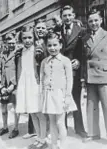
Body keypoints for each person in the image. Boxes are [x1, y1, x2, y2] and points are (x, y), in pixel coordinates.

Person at [40, 32, 77, 149]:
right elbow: (42, 79)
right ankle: (54, 145)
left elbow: (70, 80)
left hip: (60, 94)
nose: (52, 48)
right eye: (49, 45)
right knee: (51, 122)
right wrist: (42, 95)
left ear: (60, 45)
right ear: (46, 46)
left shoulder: (65, 61)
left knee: (60, 122)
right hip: (48, 94)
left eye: (55, 45)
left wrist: (67, 96)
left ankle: (63, 146)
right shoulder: (44, 62)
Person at [15, 26, 47, 149]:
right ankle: (38, 137)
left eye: (30, 37)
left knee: (39, 112)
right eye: (25, 38)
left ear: (34, 37)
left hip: (35, 83)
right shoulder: (20, 52)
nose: (27, 40)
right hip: (25, 84)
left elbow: (43, 68)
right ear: (21, 39)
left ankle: (43, 138)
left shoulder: (38, 50)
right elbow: (20, 69)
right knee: (32, 113)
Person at [60, 5, 87, 138]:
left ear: (74, 16)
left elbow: (84, 51)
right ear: (61, 17)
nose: (67, 18)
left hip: (75, 71)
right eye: (64, 15)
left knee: (76, 100)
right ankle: (62, 128)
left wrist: (79, 61)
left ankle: (79, 128)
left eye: (69, 15)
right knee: (62, 100)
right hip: (61, 72)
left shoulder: (81, 30)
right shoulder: (57, 30)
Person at [82, 9, 107, 141]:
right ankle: (93, 133)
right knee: (91, 107)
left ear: (101, 20)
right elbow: (84, 58)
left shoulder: (106, 35)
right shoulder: (85, 38)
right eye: (91, 21)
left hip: (104, 76)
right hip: (90, 76)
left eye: (96, 20)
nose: (93, 23)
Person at [0, 33, 19, 138]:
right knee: (4, 109)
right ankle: (5, 127)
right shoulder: (3, 53)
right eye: (9, 43)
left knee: (15, 109)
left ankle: (16, 128)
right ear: (5, 43)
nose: (11, 45)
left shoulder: (18, 53)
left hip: (14, 85)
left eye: (13, 43)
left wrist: (12, 85)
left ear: (16, 42)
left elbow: (19, 70)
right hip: (3, 85)